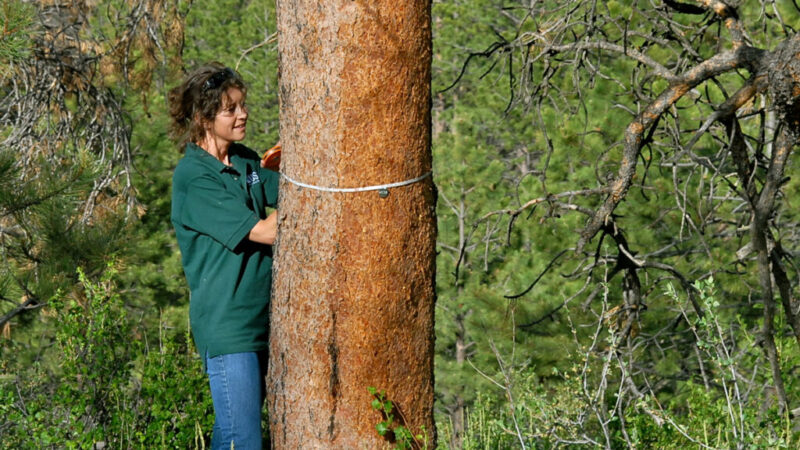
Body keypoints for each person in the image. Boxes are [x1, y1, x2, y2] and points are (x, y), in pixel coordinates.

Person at [168, 62, 279, 449]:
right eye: (230, 109)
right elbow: (265, 231)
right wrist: (307, 190)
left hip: (267, 323)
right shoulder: (195, 178)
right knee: (242, 439)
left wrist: (295, 170)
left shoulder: (245, 162)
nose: (243, 114)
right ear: (203, 117)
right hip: (230, 329)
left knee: (232, 434)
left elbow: (280, 189)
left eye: (242, 105)